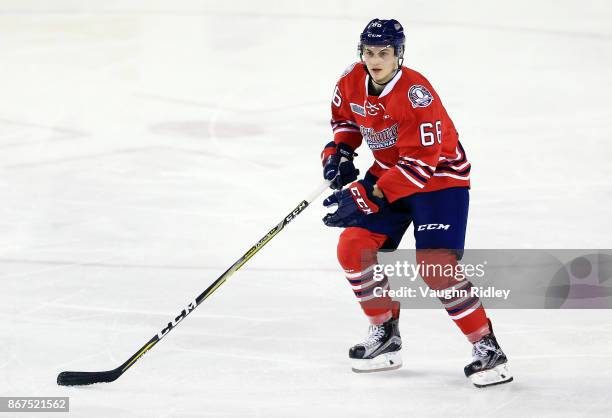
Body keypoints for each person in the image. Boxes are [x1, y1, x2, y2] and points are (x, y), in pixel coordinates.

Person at [321, 18, 512, 387]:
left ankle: (486, 347)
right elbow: (345, 120)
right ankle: (385, 334)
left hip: (439, 179)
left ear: (399, 55)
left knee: (435, 265)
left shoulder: (415, 94)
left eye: (384, 53)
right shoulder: (349, 80)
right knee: (353, 246)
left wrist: (365, 195)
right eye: (369, 52)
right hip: (392, 170)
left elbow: (421, 166)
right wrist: (340, 153)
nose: (375, 60)